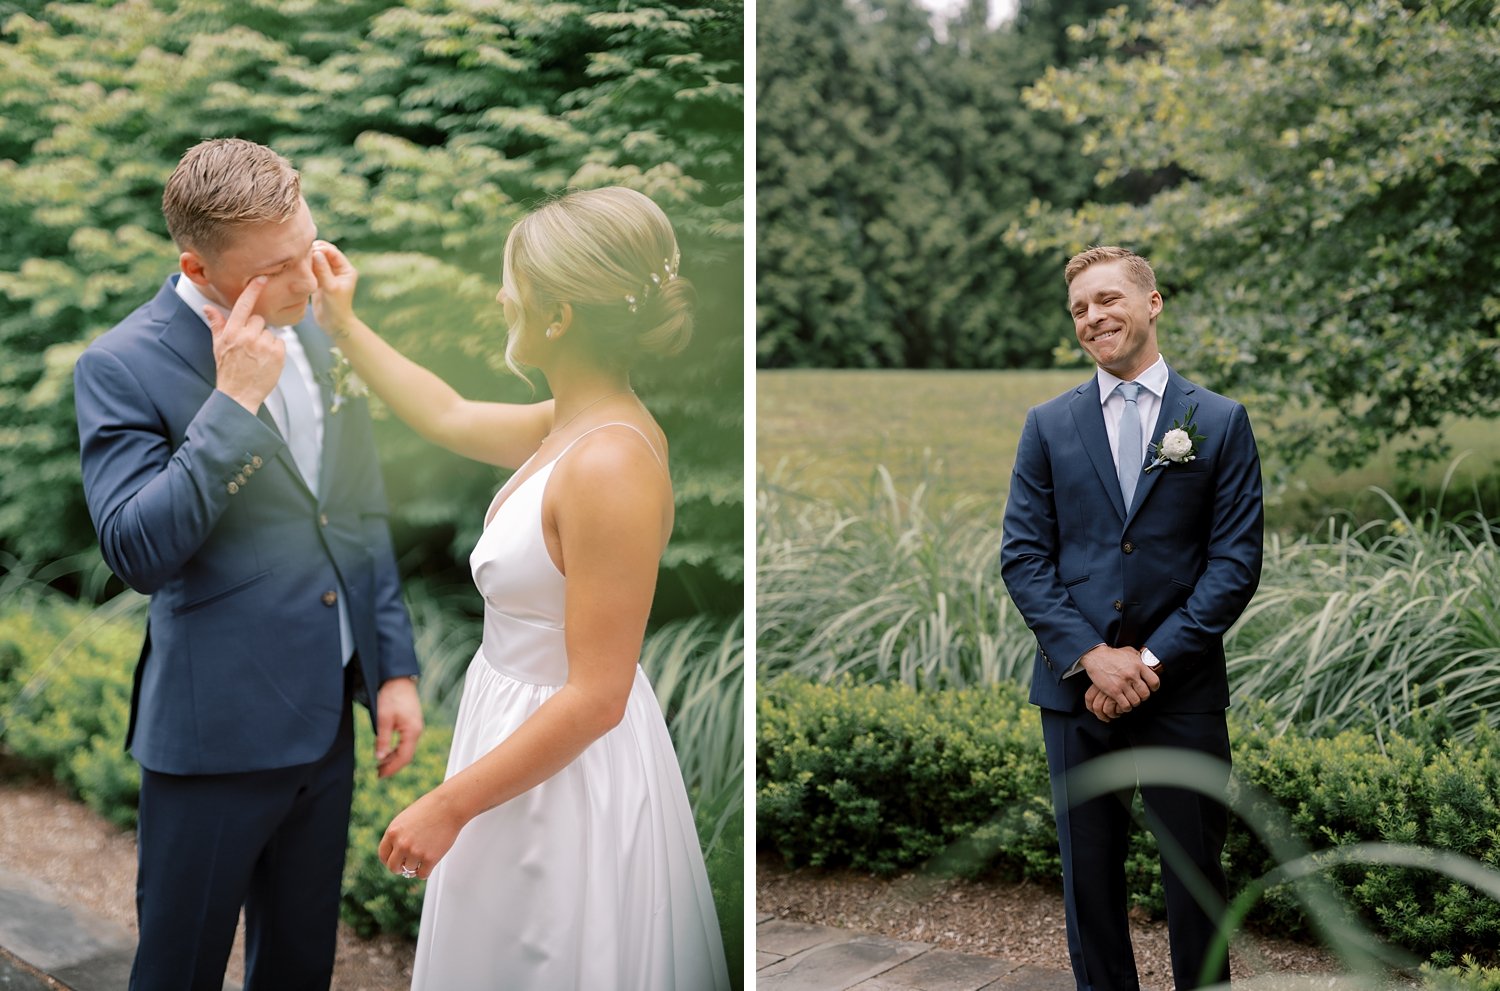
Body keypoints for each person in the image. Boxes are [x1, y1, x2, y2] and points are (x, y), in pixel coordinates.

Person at [307, 186, 731, 989]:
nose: (503, 295)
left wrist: (449, 803)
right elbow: (449, 412)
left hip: (565, 776)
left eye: (514, 280)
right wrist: (345, 326)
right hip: (512, 736)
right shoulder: (568, 420)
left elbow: (598, 695)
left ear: (560, 315)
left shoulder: (611, 462)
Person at [72, 138, 424, 990]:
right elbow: (137, 552)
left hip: (326, 720)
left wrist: (394, 668)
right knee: (179, 969)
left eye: (309, 244)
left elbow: (356, 509)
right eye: (280, 266)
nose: (310, 276)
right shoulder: (121, 364)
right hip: (212, 735)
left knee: (301, 964)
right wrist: (231, 404)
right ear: (199, 264)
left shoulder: (321, 332)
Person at [1000, 246, 1263, 990]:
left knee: (1195, 873)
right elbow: (1023, 557)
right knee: (1088, 881)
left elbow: (1234, 564)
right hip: (1074, 692)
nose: (1093, 317)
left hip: (1180, 690)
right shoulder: (1048, 425)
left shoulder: (1217, 420)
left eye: (1107, 299)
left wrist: (1145, 663)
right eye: (1080, 308)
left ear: (1152, 304)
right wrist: (1091, 656)